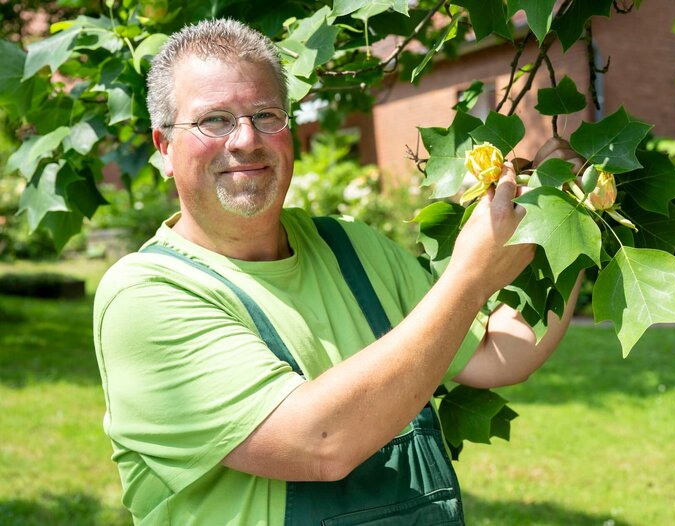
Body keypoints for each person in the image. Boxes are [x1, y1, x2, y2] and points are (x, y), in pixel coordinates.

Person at [93, 18, 583, 526]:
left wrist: (566, 220)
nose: (245, 139)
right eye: (213, 120)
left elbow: (496, 356)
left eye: (266, 114)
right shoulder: (145, 298)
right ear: (163, 148)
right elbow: (318, 443)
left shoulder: (349, 245)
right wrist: (470, 277)